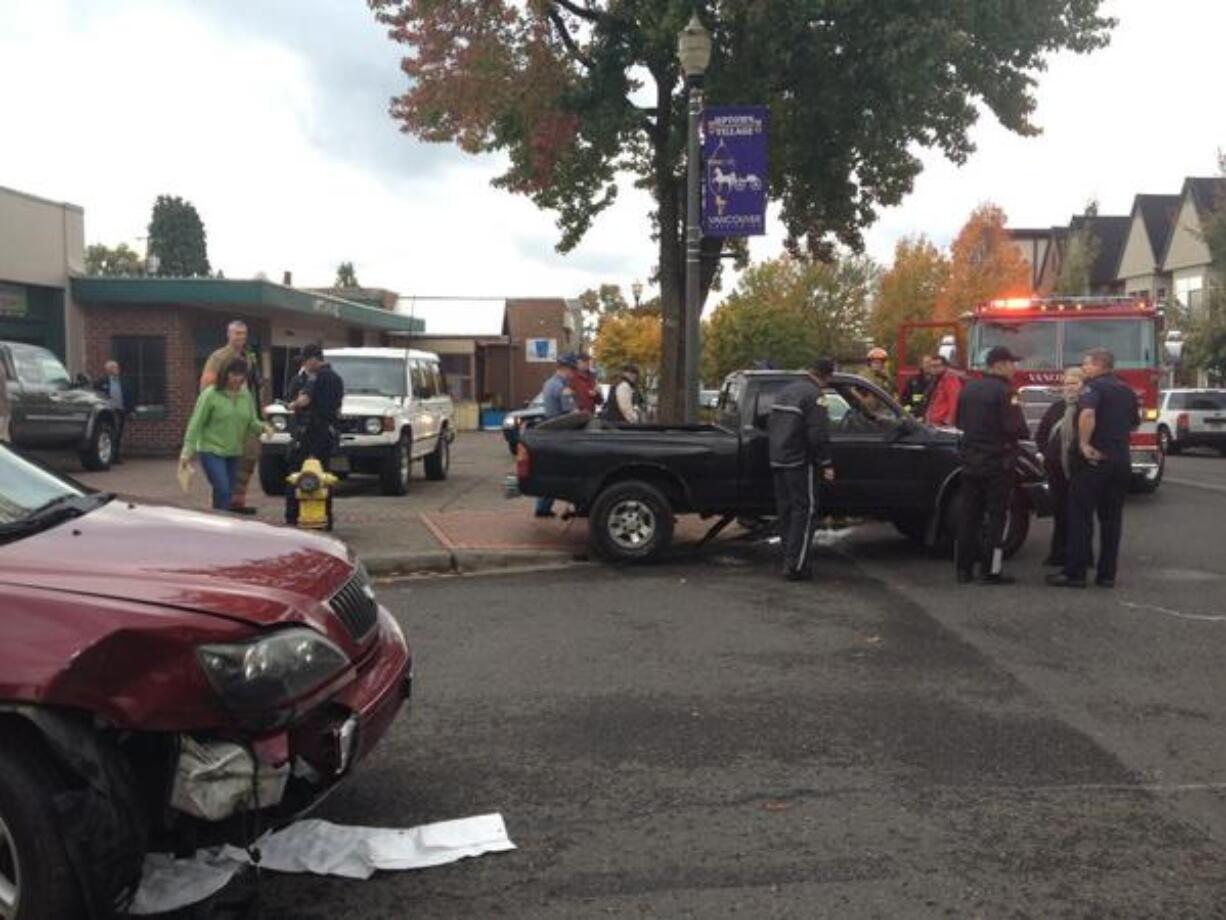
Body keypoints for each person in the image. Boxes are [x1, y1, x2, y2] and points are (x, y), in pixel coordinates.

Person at [1048, 348, 1139, 589]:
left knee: (1080, 516)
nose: (1084, 367)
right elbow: (1133, 423)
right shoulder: (1126, 390)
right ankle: (1107, 574)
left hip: (1093, 461)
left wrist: (1085, 443)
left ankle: (1075, 574)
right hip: (1120, 459)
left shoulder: (1093, 388)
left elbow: (1087, 413)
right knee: (1112, 520)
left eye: (1086, 364)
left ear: (1099, 365)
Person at [954, 346, 1029, 584]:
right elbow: (1015, 428)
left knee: (969, 517)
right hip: (998, 463)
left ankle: (963, 570)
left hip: (970, 461)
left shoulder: (969, 388)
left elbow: (959, 421)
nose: (1014, 368)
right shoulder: (1008, 392)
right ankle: (990, 570)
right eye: (1011, 363)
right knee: (997, 517)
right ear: (999, 365)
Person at [768, 357, 836, 581]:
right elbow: (818, 434)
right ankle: (796, 566)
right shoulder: (815, 396)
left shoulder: (786, 391)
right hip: (800, 462)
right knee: (805, 512)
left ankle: (789, 558)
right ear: (827, 376)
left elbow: (771, 423)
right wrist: (825, 463)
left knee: (786, 511)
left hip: (778, 458)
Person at [180, 358, 268, 512]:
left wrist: (265, 428)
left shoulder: (245, 395)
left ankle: (218, 521)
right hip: (211, 450)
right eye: (234, 374)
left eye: (242, 375)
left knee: (225, 492)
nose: (238, 379)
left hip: (234, 451)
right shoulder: (210, 395)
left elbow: (252, 421)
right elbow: (196, 424)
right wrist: (187, 452)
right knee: (223, 489)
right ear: (225, 374)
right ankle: (225, 523)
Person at [200, 320, 263, 515]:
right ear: (228, 335)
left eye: (243, 334)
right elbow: (207, 385)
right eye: (236, 333)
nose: (240, 338)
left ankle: (237, 503)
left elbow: (254, 384)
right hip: (226, 417)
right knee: (224, 470)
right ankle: (222, 507)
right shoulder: (219, 357)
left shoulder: (249, 357)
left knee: (248, 459)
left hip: (246, 414)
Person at [284, 344, 344, 526]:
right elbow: (338, 407)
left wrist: (292, 405)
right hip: (327, 432)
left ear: (313, 359)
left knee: (297, 474)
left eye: (305, 361)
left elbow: (305, 400)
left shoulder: (314, 377)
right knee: (324, 475)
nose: (304, 365)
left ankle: (293, 516)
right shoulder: (336, 378)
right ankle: (326, 516)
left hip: (310, 432)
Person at [1034, 367, 1088, 569]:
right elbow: (1041, 434)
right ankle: (1057, 553)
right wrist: (1045, 454)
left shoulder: (1088, 409)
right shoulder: (1055, 408)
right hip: (1056, 469)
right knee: (1060, 512)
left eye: (1074, 383)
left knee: (1080, 515)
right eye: (1067, 384)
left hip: (1081, 469)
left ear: (1083, 385)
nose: (1070, 387)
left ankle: (1082, 556)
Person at [533, 355, 578, 518]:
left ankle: (542, 507)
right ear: (566, 369)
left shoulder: (548, 384)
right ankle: (572, 507)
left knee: (550, 472)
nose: (573, 374)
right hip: (561, 435)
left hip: (550, 433)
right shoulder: (563, 388)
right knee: (567, 472)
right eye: (573, 370)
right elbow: (571, 414)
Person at [93, 360, 126, 464]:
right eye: (114, 368)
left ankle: (117, 456)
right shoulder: (101, 382)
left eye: (117, 368)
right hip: (108, 411)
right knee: (110, 433)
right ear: (108, 370)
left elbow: (129, 394)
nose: (117, 370)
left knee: (119, 434)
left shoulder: (123, 381)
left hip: (120, 410)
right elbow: (96, 394)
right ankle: (110, 456)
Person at [924, 355, 962, 427]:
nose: (934, 368)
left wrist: (948, 422)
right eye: (932, 366)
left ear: (944, 366)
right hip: (933, 423)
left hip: (942, 424)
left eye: (937, 366)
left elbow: (954, 402)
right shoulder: (935, 380)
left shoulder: (950, 380)